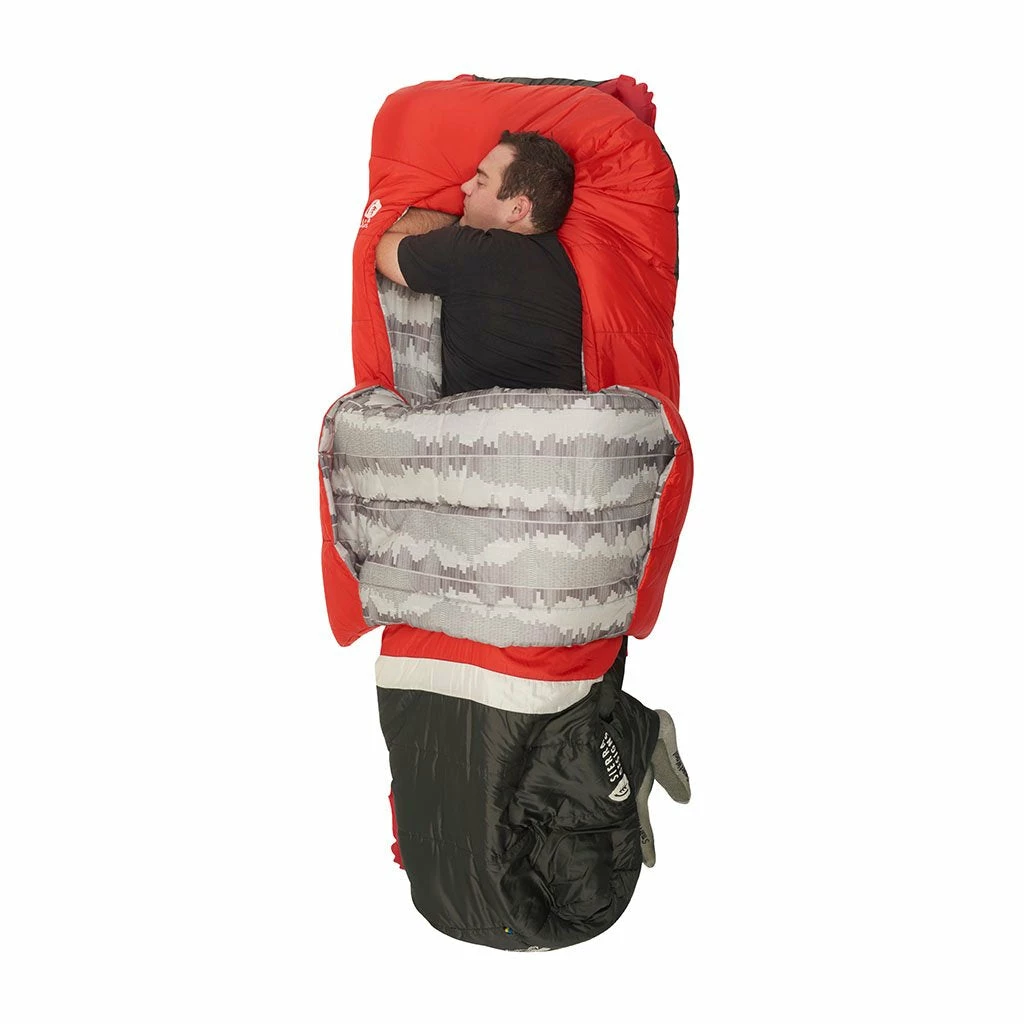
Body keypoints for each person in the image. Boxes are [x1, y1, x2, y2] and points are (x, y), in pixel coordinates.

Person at [374, 130, 583, 398]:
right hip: (558, 419)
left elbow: (379, 243)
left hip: (483, 422)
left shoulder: (472, 251)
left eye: (481, 182)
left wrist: (452, 217)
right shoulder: (565, 268)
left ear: (517, 209)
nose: (466, 187)